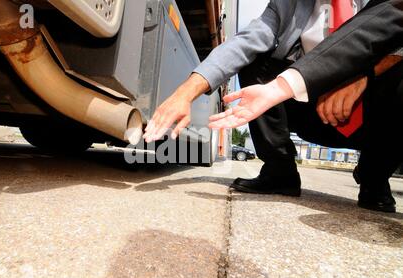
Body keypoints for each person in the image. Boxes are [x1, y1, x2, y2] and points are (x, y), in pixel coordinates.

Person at [143, 0, 403, 213]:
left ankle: (374, 178)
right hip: (312, 111)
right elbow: (245, 42)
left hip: (374, 109)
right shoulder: (288, 5)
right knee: (256, 58)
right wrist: (184, 93)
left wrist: (364, 74)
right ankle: (280, 171)